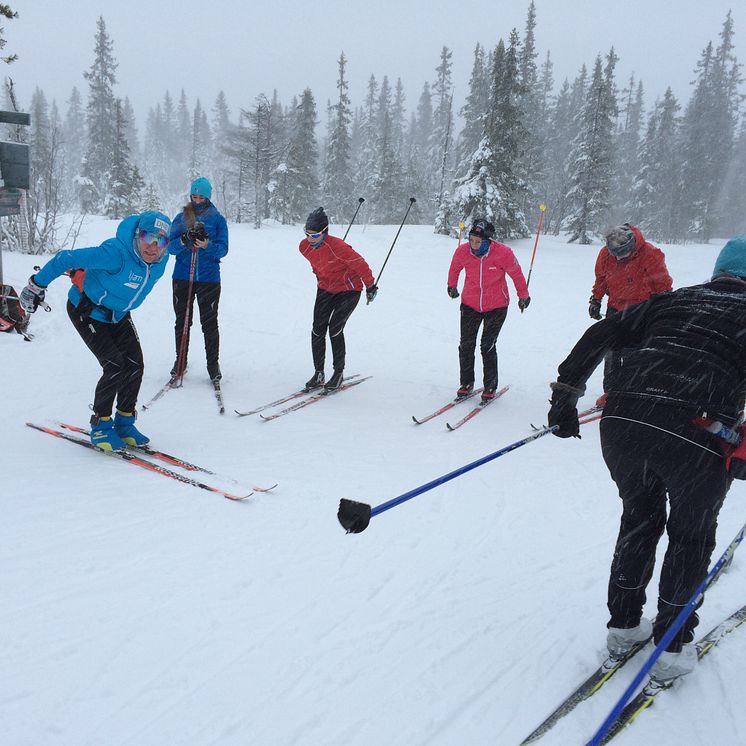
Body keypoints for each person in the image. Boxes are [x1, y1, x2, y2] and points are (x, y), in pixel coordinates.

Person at [547, 234, 746, 682]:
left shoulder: (672, 301)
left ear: (719, 271)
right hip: (698, 432)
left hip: (625, 421)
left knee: (639, 517)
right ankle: (672, 646)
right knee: (691, 536)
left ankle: (622, 627)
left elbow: (602, 331)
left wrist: (565, 395)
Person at [19, 211, 172, 451]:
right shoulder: (116, 253)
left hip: (118, 314)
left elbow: (185, 242)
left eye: (161, 241)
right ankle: (101, 426)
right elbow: (65, 258)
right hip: (87, 309)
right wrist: (35, 285)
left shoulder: (161, 260)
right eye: (147, 237)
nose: (153, 247)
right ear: (137, 235)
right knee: (114, 365)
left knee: (135, 364)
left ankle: (124, 422)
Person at [447, 219, 530, 403]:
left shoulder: (503, 253)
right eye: (472, 240)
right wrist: (451, 286)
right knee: (466, 344)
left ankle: (490, 385)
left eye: (479, 242)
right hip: (470, 304)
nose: (474, 245)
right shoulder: (463, 251)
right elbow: (455, 268)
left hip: (497, 306)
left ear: (488, 241)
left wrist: (523, 295)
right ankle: (466, 383)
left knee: (487, 345)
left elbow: (516, 273)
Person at [589, 223, 672, 404]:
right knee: (611, 353)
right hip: (615, 309)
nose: (618, 258)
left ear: (631, 245)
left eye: (622, 254)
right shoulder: (605, 254)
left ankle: (631, 392)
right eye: (614, 254)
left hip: (641, 312)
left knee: (633, 354)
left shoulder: (650, 254)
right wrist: (596, 299)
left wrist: (665, 310)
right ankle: (610, 391)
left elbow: (663, 286)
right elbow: (601, 278)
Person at [299, 207, 377, 392]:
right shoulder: (304, 247)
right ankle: (319, 373)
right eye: (307, 234)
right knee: (317, 329)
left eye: (315, 235)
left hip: (349, 290)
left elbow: (361, 265)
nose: (310, 239)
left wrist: (371, 286)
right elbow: (318, 264)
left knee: (335, 328)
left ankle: (338, 372)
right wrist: (320, 276)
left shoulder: (339, 248)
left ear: (325, 232)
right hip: (326, 288)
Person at [168, 176, 229, 382]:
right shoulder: (182, 217)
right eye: (194, 196)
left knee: (209, 322)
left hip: (209, 278)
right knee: (182, 321)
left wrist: (206, 245)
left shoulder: (217, 219)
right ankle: (180, 360)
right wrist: (184, 240)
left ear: (208, 197)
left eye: (201, 197)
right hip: (183, 276)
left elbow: (223, 250)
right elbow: (169, 247)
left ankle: (213, 364)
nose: (197, 200)